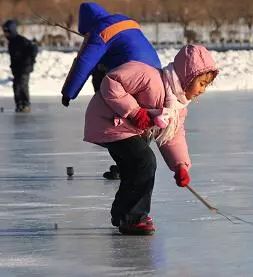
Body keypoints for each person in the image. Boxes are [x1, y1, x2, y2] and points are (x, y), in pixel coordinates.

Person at [83, 44, 218, 235]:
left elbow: (172, 136)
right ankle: (134, 218)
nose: (203, 90)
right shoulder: (148, 76)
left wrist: (180, 165)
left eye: (207, 85)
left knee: (135, 170)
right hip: (109, 121)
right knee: (144, 162)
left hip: (131, 129)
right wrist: (134, 111)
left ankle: (122, 213)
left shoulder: (178, 106)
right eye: (202, 83)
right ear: (187, 77)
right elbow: (111, 82)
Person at [60, 2, 162, 180]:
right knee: (140, 120)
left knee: (118, 121)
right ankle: (128, 165)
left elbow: (84, 63)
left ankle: (129, 166)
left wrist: (69, 92)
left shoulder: (100, 31)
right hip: (154, 74)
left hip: (130, 76)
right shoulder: (125, 21)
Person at [2, 20, 38, 113]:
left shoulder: (21, 40)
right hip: (17, 69)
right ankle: (19, 104)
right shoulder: (11, 42)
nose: (5, 34)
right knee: (16, 86)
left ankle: (25, 104)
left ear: (12, 31)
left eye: (7, 32)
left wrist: (30, 61)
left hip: (24, 68)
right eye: (5, 32)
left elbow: (33, 48)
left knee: (22, 86)